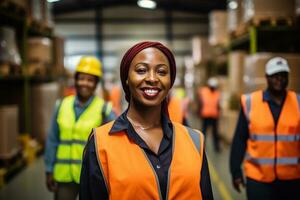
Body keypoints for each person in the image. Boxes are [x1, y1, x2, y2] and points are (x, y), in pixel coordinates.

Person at [80, 41, 213, 200]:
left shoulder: (194, 141)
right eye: (141, 70)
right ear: (126, 78)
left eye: (162, 72)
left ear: (170, 81)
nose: (152, 78)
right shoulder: (101, 143)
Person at [44, 56, 116, 200]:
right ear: (76, 80)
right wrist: (49, 170)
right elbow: (53, 140)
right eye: (82, 78)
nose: (85, 83)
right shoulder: (61, 105)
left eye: (90, 80)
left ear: (96, 83)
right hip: (64, 176)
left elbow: (116, 144)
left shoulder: (104, 110)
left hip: (92, 176)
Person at [229, 57, 300, 200]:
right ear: (267, 77)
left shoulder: (298, 103)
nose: (279, 79)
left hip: (292, 179)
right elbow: (240, 139)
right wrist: (235, 171)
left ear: (288, 77)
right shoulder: (250, 103)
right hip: (258, 178)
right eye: (275, 75)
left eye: (283, 75)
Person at [197, 77, 221, 152]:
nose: (212, 88)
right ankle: (201, 146)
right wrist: (199, 111)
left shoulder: (217, 93)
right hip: (205, 115)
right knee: (203, 132)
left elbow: (218, 105)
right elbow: (200, 102)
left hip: (214, 115)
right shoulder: (204, 91)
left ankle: (217, 147)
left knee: (215, 133)